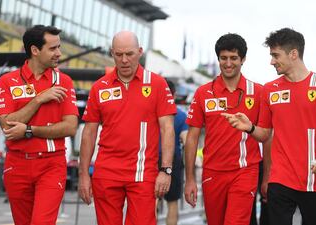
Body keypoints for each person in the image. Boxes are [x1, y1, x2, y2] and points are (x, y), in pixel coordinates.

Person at [222, 27, 316, 225]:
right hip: (279, 180)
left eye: (275, 55)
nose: (271, 61)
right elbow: (264, 134)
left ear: (293, 54)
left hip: (313, 179)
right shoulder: (270, 89)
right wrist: (250, 127)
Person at [78, 31, 176, 225]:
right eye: (118, 54)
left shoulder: (157, 84)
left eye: (129, 54)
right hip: (106, 173)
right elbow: (89, 133)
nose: (124, 60)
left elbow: (167, 130)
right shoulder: (99, 87)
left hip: (142, 173)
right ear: (112, 53)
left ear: (140, 52)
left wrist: (165, 170)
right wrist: (83, 176)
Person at [0, 25, 79, 225]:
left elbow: (70, 127)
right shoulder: (8, 81)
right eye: (53, 48)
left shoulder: (65, 82)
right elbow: (7, 126)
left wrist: (29, 130)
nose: (58, 53)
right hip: (16, 165)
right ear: (35, 50)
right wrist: (38, 99)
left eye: (59, 47)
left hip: (51, 165)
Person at [184, 33, 265, 225]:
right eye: (223, 58)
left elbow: (266, 136)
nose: (228, 63)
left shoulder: (259, 92)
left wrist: (267, 175)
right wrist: (189, 180)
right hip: (212, 172)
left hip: (245, 171)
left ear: (243, 59)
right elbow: (192, 138)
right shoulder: (203, 93)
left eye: (234, 58)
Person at [160, 79, 188, 225]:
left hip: (151, 157)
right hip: (173, 160)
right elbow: (186, 140)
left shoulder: (152, 112)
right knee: (172, 202)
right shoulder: (181, 115)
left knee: (150, 201)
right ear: (174, 94)